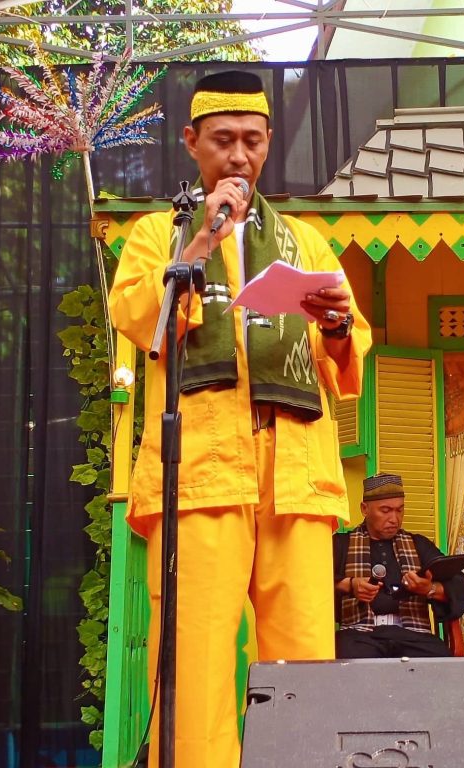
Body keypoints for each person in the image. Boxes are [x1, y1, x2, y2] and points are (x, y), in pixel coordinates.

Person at [108, 70, 372, 768]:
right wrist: (197, 243)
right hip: (201, 472)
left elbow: (347, 354)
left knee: (304, 662)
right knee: (192, 663)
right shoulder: (156, 234)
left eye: (252, 140)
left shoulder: (305, 243)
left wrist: (337, 326)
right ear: (190, 142)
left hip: (295, 474)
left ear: (268, 143)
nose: (238, 155)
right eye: (223, 140)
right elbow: (140, 319)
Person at [333, 472, 464, 658]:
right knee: (349, 658)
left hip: (413, 636)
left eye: (399, 510)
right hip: (359, 636)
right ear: (364, 509)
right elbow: (313, 584)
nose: (394, 519)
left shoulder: (419, 544)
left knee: (438, 661)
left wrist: (429, 589)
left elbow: (458, 583)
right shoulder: (341, 544)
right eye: (385, 510)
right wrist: (350, 585)